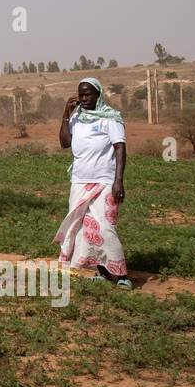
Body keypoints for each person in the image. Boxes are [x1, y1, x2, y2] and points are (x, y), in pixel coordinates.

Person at [54, 78, 130, 288]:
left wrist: (118, 181)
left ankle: (121, 274)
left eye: (88, 94)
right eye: (81, 95)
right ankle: (103, 271)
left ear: (98, 95)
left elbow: (120, 148)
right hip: (79, 181)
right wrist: (65, 115)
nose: (84, 99)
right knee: (84, 227)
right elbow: (64, 143)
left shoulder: (110, 118)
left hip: (105, 180)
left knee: (106, 226)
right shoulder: (76, 117)